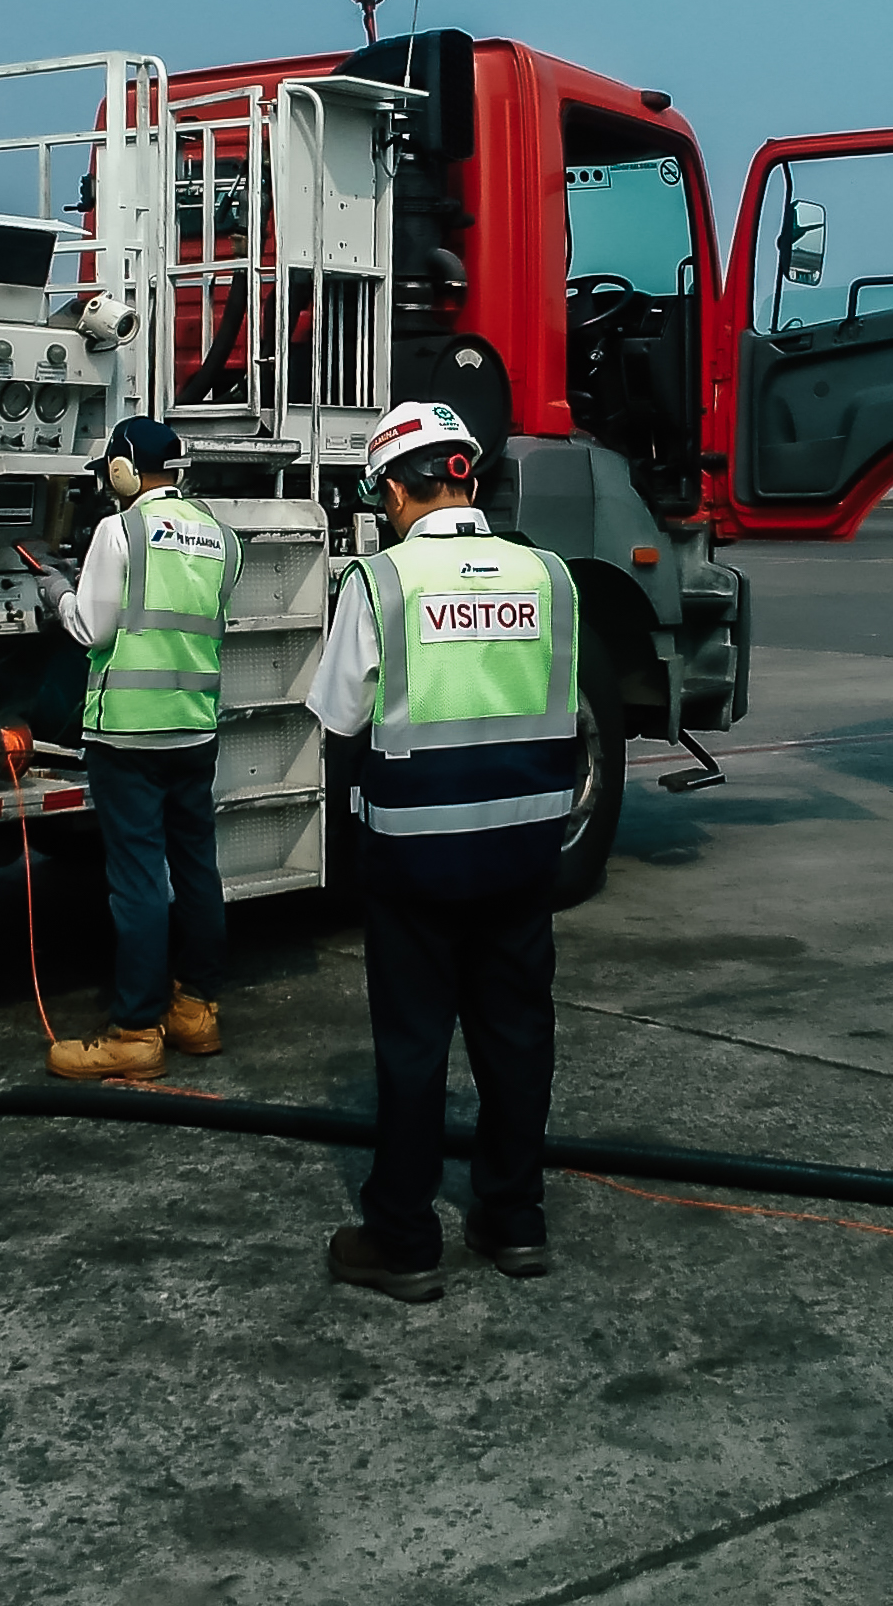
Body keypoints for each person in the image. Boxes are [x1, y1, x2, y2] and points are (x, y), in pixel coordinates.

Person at [311, 400, 579, 1301]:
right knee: (516, 1034)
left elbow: (341, 716)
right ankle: (514, 1219)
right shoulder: (551, 577)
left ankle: (403, 1237)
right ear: (463, 471)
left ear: (394, 485)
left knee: (415, 1045)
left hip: (416, 859)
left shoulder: (379, 582)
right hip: (524, 855)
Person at [37, 415, 241, 1079]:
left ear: (122, 470)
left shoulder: (118, 530)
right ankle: (196, 1010)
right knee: (196, 867)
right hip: (193, 723)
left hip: (127, 729)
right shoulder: (219, 536)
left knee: (137, 882)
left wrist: (56, 589)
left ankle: (134, 1030)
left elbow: (93, 629)